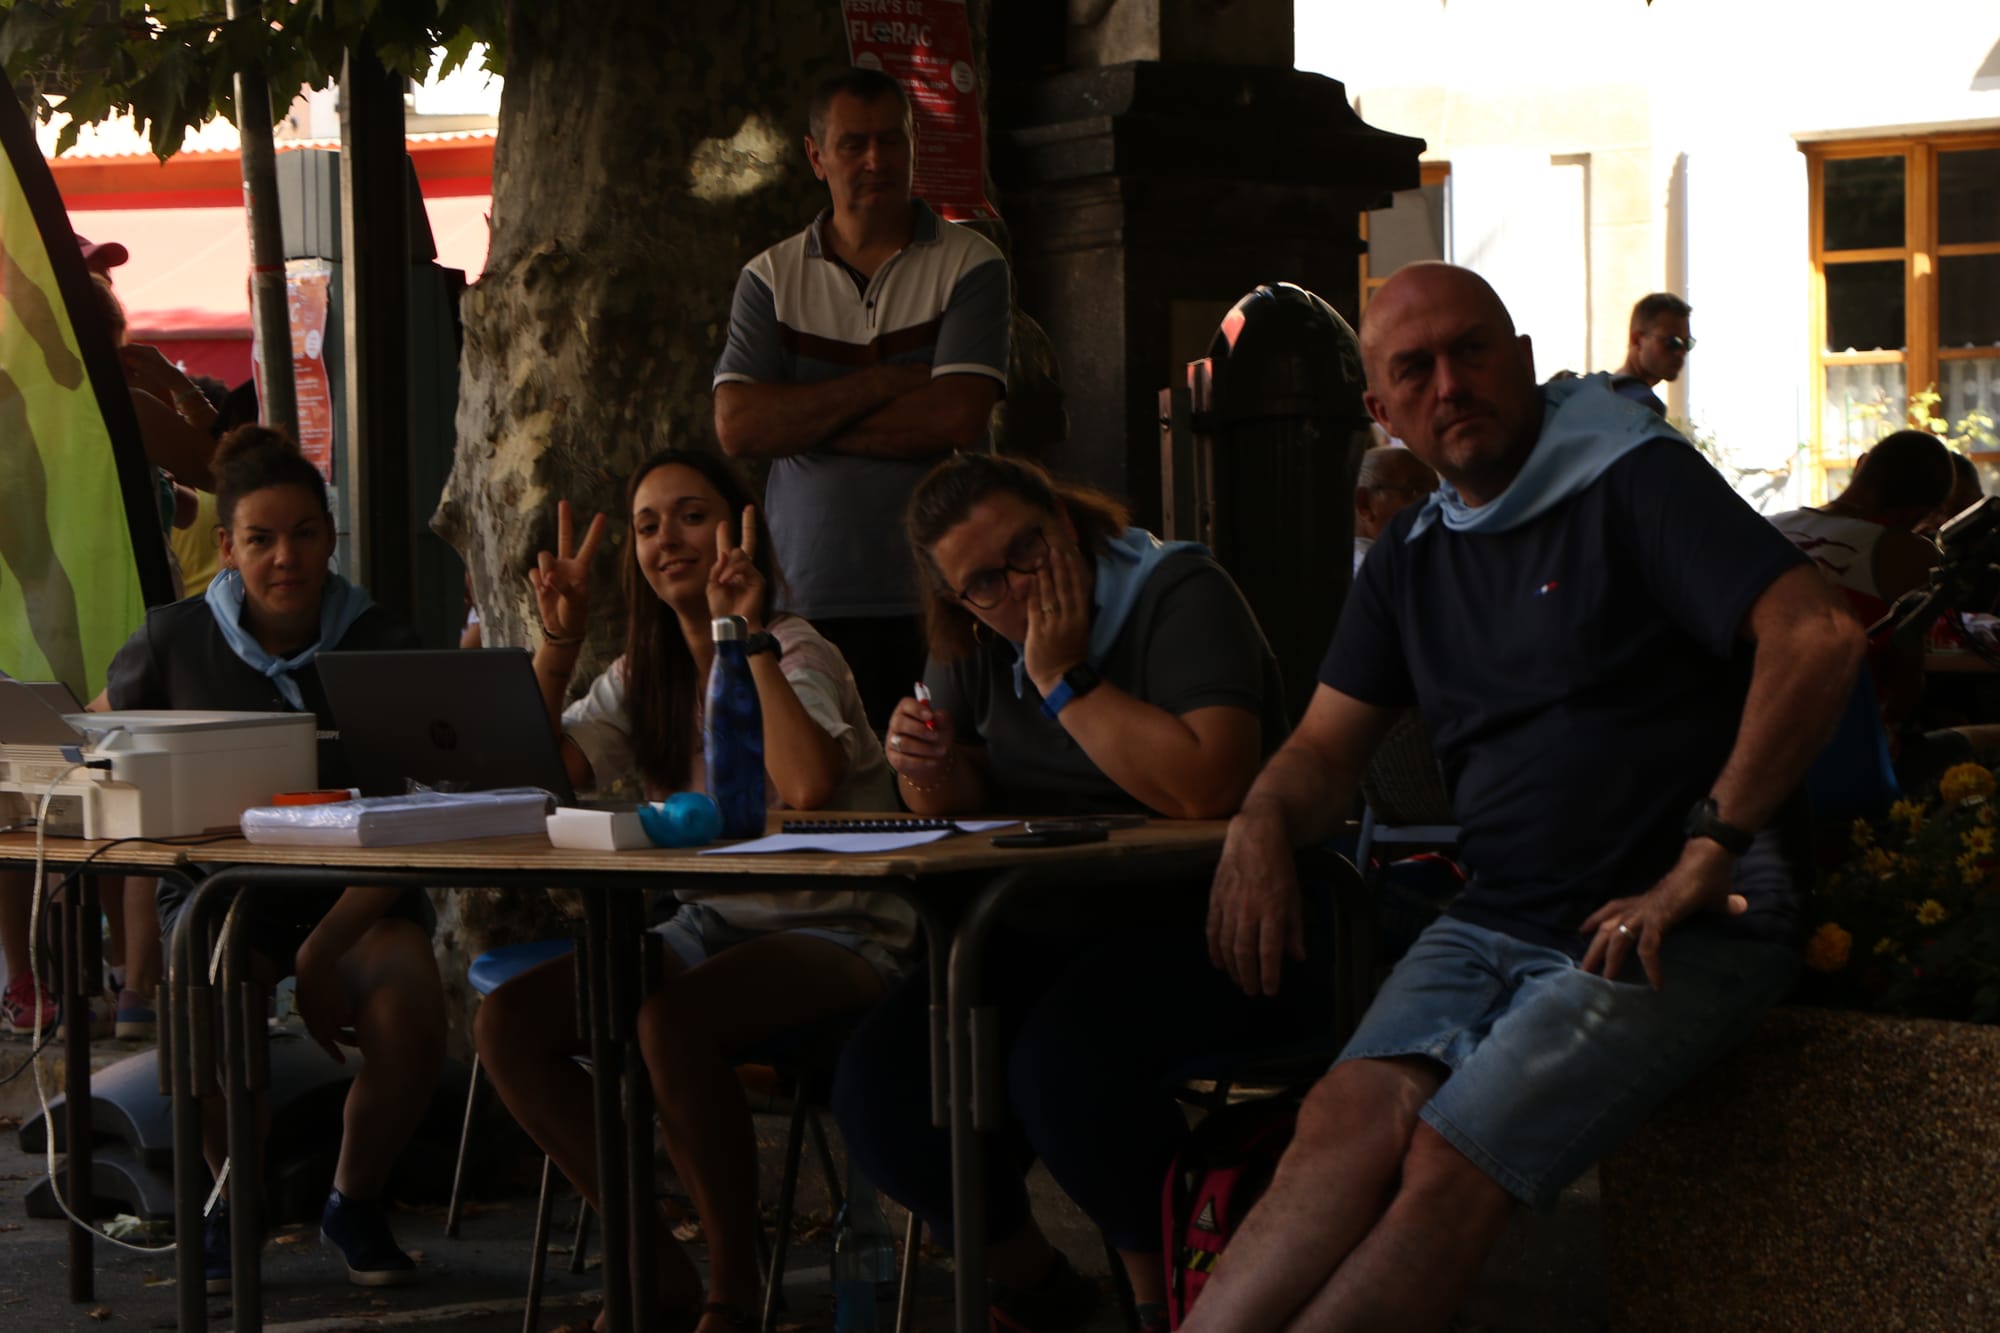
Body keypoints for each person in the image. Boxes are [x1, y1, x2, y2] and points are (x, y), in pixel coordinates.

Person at [1185, 263, 1861, 1333]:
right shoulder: (1410, 552)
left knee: (1452, 1163)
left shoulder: (1630, 477)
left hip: (1683, 921)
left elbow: (1816, 633)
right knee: (1341, 1119)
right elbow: (1320, 749)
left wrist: (1710, 843)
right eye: (1414, 370)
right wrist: (1260, 822)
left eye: (1472, 350)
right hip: (1500, 911)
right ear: (1381, 412)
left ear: (1526, 361)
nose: (1449, 384)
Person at [832, 453, 1322, 1333]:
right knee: (882, 1082)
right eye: (984, 581)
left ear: (1064, 522)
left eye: (1030, 548)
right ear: (958, 599)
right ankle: (1039, 1289)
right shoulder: (975, 636)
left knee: (1065, 1067)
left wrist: (1063, 678)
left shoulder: (1176, 591)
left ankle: (1167, 1302)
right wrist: (927, 766)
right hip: (1046, 921)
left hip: (1219, 915)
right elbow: (961, 796)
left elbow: (1206, 785)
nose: (1018, 584)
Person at [474, 448, 903, 1333]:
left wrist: (745, 644)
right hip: (719, 922)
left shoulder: (797, 645)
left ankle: (733, 1293)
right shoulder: (644, 674)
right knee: (510, 1023)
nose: (669, 538)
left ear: (745, 529)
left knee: (671, 1019)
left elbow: (808, 785)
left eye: (692, 514)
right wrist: (556, 643)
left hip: (845, 931)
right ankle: (656, 1268)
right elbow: (537, 773)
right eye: (647, 524)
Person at [96, 425, 441, 1293]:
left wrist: (325, 948)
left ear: (330, 536)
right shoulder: (172, 641)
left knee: (409, 1002)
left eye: (304, 534)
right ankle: (233, 1198)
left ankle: (353, 1199)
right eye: (260, 538)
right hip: (221, 899)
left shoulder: (383, 642)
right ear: (227, 547)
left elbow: (423, 821)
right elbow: (96, 742)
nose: (285, 557)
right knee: (207, 994)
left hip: (357, 899)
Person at [712, 65, 1011, 730]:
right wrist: (887, 381)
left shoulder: (973, 264)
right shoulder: (769, 279)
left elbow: (956, 415)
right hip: (806, 597)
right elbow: (738, 427)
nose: (876, 160)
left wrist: (798, 418)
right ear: (816, 157)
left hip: (949, 591)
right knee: (826, 797)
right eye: (854, 144)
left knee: (940, 787)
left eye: (892, 141)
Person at [1770, 429, 1953, 731]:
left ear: (1860, 465)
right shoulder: (1908, 552)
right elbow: (1904, 693)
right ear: (1921, 513)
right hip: (1841, 740)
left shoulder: (1768, 526)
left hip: (1741, 729)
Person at [1353, 444, 1438, 575]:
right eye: (1416, 491)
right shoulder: (1381, 574)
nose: (1437, 503)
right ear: (1364, 503)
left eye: (1439, 493)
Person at [1609, 291, 1694, 416]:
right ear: (1637, 340)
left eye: (1687, 343)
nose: (1681, 352)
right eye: (1672, 342)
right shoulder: (1644, 405)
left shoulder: (1599, 390)